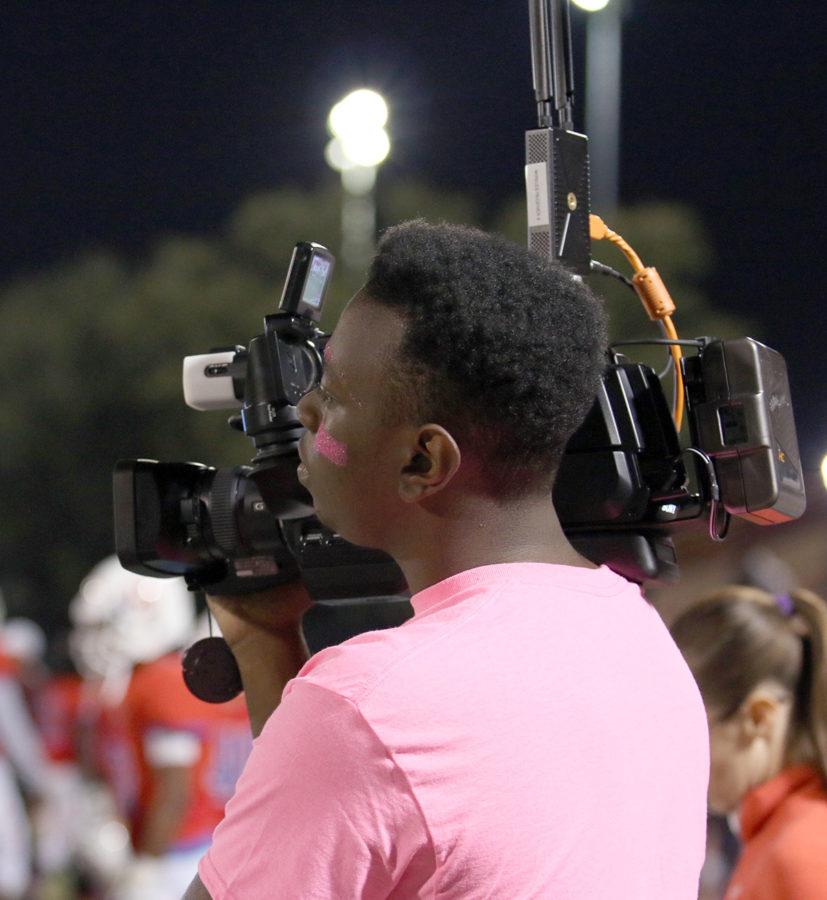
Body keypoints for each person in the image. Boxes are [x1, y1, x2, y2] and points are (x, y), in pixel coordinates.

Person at [186, 221, 710, 899]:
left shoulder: (366, 705)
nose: (307, 409)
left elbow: (371, 763)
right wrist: (264, 643)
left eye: (335, 394)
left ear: (422, 460)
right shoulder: (641, 642)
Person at [69, 556, 252, 900]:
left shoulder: (161, 681)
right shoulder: (145, 680)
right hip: (193, 846)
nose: (87, 641)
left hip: (179, 853)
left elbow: (174, 790)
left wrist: (145, 867)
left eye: (100, 627)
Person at [670, 584, 827, 899]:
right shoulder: (776, 839)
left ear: (758, 716)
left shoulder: (802, 853)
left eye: (687, 734)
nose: (678, 761)